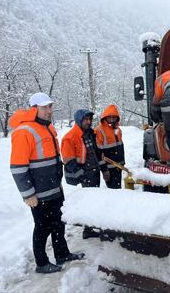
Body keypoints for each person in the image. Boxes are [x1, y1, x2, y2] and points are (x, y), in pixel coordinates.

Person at [10, 92, 84, 274]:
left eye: (50, 106)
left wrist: (58, 183)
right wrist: (28, 194)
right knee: (42, 228)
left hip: (54, 188)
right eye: (44, 107)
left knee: (59, 222)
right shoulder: (24, 131)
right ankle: (41, 263)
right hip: (38, 193)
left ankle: (62, 253)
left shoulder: (47, 128)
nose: (49, 110)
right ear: (34, 109)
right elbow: (18, 167)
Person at [61, 109, 106, 239]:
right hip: (86, 174)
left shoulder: (90, 134)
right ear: (79, 120)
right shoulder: (70, 137)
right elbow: (68, 160)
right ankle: (88, 229)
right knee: (89, 202)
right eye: (85, 119)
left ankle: (91, 226)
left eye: (89, 119)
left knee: (94, 200)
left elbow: (96, 153)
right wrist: (82, 175)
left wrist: (102, 169)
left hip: (94, 171)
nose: (88, 122)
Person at [95, 105, 125, 189]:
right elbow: (98, 153)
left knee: (118, 189)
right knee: (113, 192)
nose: (111, 119)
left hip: (118, 166)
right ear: (105, 117)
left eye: (114, 117)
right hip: (109, 169)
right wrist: (104, 170)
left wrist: (122, 163)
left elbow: (120, 147)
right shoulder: (99, 130)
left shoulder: (118, 129)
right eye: (109, 117)